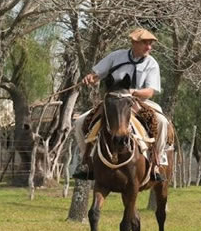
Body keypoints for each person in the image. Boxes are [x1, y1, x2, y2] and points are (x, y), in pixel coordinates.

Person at [72, 28, 169, 181]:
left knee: (162, 121)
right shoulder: (116, 56)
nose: (149, 47)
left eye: (150, 44)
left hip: (138, 102)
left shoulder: (152, 63)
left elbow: (150, 91)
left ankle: (158, 161)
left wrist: (132, 92)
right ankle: (86, 162)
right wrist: (91, 78)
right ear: (134, 43)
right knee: (79, 122)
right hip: (113, 102)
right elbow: (98, 75)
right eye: (145, 43)